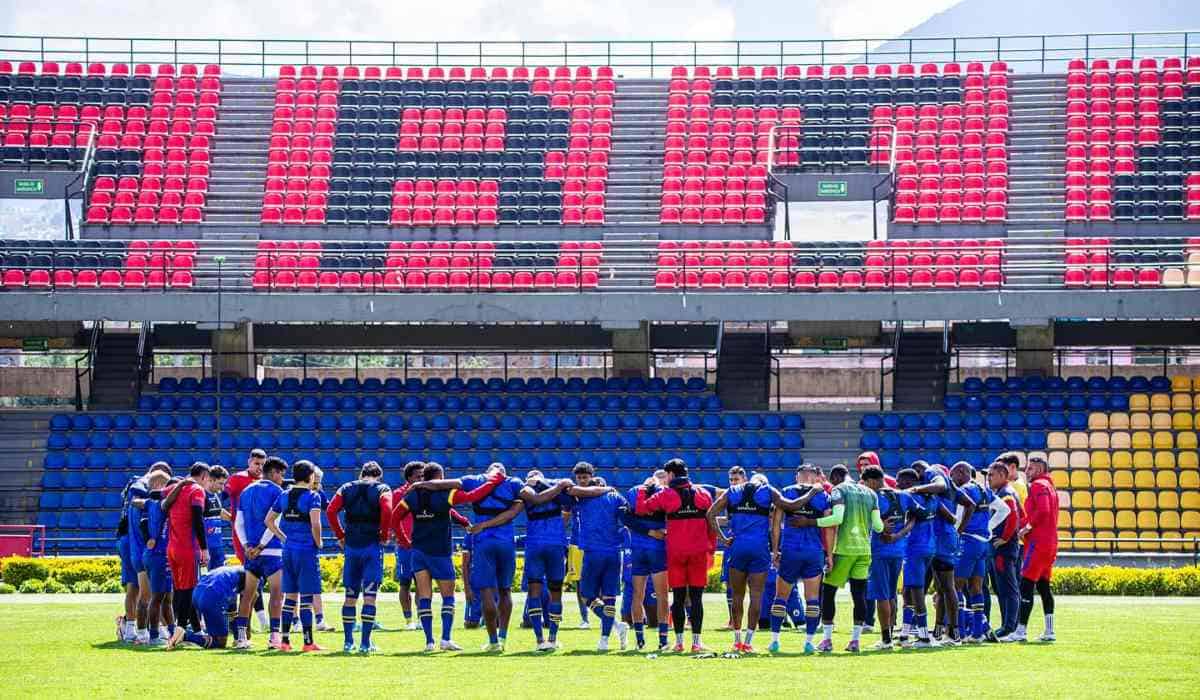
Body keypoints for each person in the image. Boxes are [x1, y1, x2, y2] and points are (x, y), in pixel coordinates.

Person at [397, 462, 503, 651]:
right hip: (439, 552)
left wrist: (405, 540)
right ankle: (445, 639)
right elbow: (473, 496)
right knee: (448, 597)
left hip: (419, 551)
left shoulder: (411, 496)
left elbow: (394, 517)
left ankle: (429, 642)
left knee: (424, 597)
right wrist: (494, 480)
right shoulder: (446, 494)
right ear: (439, 477)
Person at [423, 463, 525, 652]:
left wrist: (419, 485)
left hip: (483, 541)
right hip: (506, 541)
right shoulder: (514, 483)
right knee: (505, 591)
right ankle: (502, 637)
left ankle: (493, 641)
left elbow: (439, 484)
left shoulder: (474, 480)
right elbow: (531, 498)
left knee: (486, 591)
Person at [635, 458, 715, 653]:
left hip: (676, 552)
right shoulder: (703, 494)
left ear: (670, 475)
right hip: (698, 551)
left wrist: (643, 489)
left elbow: (641, 508)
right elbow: (711, 522)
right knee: (696, 598)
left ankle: (679, 643)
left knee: (678, 598)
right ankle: (696, 642)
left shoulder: (666, 494)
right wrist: (710, 549)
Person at [706, 468, 785, 652]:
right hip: (759, 549)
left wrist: (723, 538)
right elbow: (786, 507)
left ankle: (736, 640)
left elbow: (710, 513)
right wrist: (812, 492)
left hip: (738, 548)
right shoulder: (767, 492)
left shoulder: (732, 492)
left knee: (737, 596)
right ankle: (748, 642)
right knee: (756, 595)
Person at [567, 466, 640, 652]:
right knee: (609, 598)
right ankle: (606, 639)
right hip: (614, 553)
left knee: (586, 595)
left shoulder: (581, 499)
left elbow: (569, 495)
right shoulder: (615, 497)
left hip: (592, 553)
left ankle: (616, 625)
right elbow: (628, 516)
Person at [814, 464, 883, 653]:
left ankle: (827, 640)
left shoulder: (839, 490)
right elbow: (878, 527)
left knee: (828, 592)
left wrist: (812, 522)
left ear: (835, 477)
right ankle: (855, 641)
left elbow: (837, 518)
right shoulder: (870, 493)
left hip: (844, 549)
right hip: (864, 550)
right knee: (859, 595)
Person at [326, 460, 392, 653]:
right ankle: (365, 643)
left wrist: (340, 535)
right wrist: (384, 535)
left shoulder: (346, 487)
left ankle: (348, 642)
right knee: (370, 596)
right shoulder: (383, 488)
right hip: (371, 545)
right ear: (378, 475)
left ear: (362, 474)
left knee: (350, 596)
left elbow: (331, 511)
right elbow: (387, 509)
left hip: (352, 544)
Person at [907, 460, 974, 644]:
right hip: (945, 537)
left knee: (946, 585)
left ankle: (951, 632)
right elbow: (970, 504)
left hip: (940, 538)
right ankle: (943, 631)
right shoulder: (951, 486)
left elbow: (940, 485)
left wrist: (916, 490)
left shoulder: (932, 472)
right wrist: (958, 529)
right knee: (942, 587)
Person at [768, 463, 830, 654]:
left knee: (781, 597)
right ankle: (809, 642)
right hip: (813, 552)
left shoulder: (785, 492)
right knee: (812, 599)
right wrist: (829, 553)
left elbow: (776, 525)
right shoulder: (824, 496)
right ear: (815, 477)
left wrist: (775, 550)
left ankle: (775, 640)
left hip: (790, 551)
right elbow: (828, 527)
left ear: (798, 476)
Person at [264, 459, 324, 652]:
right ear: (310, 476)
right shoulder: (312, 496)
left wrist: (283, 538)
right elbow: (315, 523)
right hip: (306, 551)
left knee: (290, 597)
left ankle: (285, 641)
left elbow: (269, 520)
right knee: (306, 597)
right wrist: (318, 541)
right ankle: (308, 642)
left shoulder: (284, 495)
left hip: (288, 551)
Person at [1002, 454, 1059, 643]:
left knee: (1026, 584)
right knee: (1044, 586)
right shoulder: (1050, 486)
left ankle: (1021, 630)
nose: (1026, 472)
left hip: (1038, 542)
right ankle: (1049, 631)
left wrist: (1027, 527)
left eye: (1031, 469)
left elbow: (1043, 511)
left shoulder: (1038, 486)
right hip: (1050, 543)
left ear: (1041, 469)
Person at [861, 465, 919, 650]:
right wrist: (898, 535)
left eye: (865, 483)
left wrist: (883, 529)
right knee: (892, 593)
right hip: (898, 551)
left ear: (871, 481)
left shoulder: (872, 497)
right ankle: (891, 634)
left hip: (879, 551)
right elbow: (915, 518)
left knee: (881, 595)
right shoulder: (903, 496)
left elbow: (868, 522)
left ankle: (886, 639)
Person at [952, 461, 1009, 643]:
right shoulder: (984, 490)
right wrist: (988, 528)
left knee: (956, 586)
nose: (952, 480)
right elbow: (1004, 509)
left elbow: (960, 517)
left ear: (962, 472)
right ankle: (977, 633)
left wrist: (956, 532)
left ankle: (959, 632)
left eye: (953, 475)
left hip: (967, 541)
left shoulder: (966, 490)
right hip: (983, 543)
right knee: (976, 587)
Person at [233, 455, 287, 649]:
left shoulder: (246, 491)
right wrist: (262, 545)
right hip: (271, 550)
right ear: (273, 473)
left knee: (247, 595)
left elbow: (238, 523)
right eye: (281, 474)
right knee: (276, 594)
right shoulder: (278, 492)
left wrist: (247, 545)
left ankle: (240, 638)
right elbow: (274, 522)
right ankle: (274, 637)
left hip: (250, 553)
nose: (282, 478)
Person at [517, 469, 575, 651]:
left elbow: (537, 498)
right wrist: (557, 485)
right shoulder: (556, 488)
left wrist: (542, 484)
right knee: (555, 592)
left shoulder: (526, 488)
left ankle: (540, 640)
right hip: (555, 543)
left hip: (534, 544)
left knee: (534, 591)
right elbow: (568, 500)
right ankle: (552, 638)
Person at [162, 462, 211, 635]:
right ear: (204, 476)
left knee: (181, 589)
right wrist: (204, 548)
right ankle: (180, 629)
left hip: (172, 547)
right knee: (188, 590)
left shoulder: (174, 488)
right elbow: (198, 518)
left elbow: (158, 497)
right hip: (187, 548)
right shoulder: (197, 490)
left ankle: (196, 629)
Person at [624, 470, 671, 651]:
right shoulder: (664, 493)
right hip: (657, 548)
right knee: (662, 596)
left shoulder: (634, 491)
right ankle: (663, 640)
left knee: (637, 595)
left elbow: (627, 518)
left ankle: (639, 640)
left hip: (637, 549)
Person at [224, 449, 269, 631]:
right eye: (256, 463)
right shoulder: (238, 479)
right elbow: (221, 496)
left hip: (262, 535)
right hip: (243, 537)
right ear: (249, 461)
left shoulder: (264, 482)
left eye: (262, 464)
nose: (259, 467)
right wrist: (229, 516)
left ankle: (250, 620)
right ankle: (258, 621)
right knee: (252, 576)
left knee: (258, 577)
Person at [126, 461, 171, 644]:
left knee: (149, 595)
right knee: (148, 596)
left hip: (139, 552)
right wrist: (150, 542)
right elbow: (145, 527)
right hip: (145, 553)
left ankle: (150, 631)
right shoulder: (148, 504)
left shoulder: (139, 502)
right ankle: (144, 634)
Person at [895, 468, 937, 648]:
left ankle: (924, 637)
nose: (897, 484)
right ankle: (905, 634)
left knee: (917, 592)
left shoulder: (911, 498)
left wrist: (897, 535)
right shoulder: (932, 498)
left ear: (909, 482)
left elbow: (911, 522)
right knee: (908, 591)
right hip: (929, 546)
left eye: (900, 481)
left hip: (915, 548)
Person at [167, 565, 247, 650]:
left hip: (197, 592)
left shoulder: (234, 571)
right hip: (212, 595)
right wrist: (242, 636)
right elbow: (246, 603)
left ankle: (183, 634)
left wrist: (237, 637)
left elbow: (232, 609)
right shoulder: (250, 576)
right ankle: (185, 636)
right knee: (220, 642)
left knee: (215, 635)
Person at [986, 461, 1023, 638]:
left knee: (1008, 588)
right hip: (1003, 548)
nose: (988, 478)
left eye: (991, 475)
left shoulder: (1005, 493)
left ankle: (1009, 627)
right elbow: (1022, 515)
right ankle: (1007, 625)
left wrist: (1006, 538)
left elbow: (1014, 515)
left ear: (1002, 475)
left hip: (1003, 549)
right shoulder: (1005, 492)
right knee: (1003, 587)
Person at [141, 471, 175, 646]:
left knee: (167, 598)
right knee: (158, 597)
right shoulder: (160, 504)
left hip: (158, 555)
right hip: (158, 555)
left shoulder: (150, 503)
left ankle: (172, 633)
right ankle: (153, 636)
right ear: (159, 486)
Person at [391, 461, 426, 630]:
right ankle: (408, 620)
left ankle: (421, 619)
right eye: (418, 476)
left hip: (423, 545)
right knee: (405, 583)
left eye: (423, 476)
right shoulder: (398, 494)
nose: (421, 478)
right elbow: (393, 519)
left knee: (422, 582)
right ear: (409, 477)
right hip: (405, 546)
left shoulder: (427, 492)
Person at [202, 466, 230, 570]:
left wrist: (234, 520)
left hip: (217, 545)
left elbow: (219, 510)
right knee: (205, 577)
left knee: (218, 575)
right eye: (220, 483)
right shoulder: (201, 495)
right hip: (206, 547)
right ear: (211, 480)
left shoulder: (215, 495)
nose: (222, 488)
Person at [460, 531, 481, 628]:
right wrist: (467, 588)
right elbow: (465, 564)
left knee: (496, 622)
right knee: (471, 624)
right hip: (475, 580)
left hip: (491, 580)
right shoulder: (470, 535)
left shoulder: (495, 531)